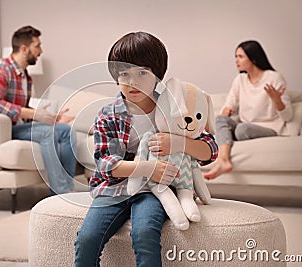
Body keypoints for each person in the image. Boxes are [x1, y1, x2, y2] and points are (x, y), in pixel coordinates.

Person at [74, 32, 218, 267]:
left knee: (144, 234)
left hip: (156, 190)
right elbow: (106, 165)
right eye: (124, 74)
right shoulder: (108, 115)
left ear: (157, 75)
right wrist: (149, 167)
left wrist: (178, 143)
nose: (132, 81)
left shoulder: (174, 107)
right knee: (87, 239)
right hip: (114, 189)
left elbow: (210, 151)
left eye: (142, 72)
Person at [0, 25, 77, 194]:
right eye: (37, 46)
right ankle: (60, 193)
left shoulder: (26, 76)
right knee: (48, 133)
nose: (40, 51)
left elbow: (21, 111)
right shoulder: (0, 69)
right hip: (2, 129)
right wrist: (35, 114)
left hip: (18, 126)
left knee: (66, 131)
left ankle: (68, 187)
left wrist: (50, 117)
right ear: (24, 49)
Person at [204, 40, 292, 180]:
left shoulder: (274, 78)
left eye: (240, 56)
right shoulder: (240, 80)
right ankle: (223, 161)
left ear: (253, 58)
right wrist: (226, 111)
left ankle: (227, 146)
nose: (236, 60)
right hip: (243, 126)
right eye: (236, 56)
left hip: (269, 128)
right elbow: (228, 105)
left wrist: (277, 100)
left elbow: (288, 116)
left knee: (241, 130)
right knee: (221, 120)